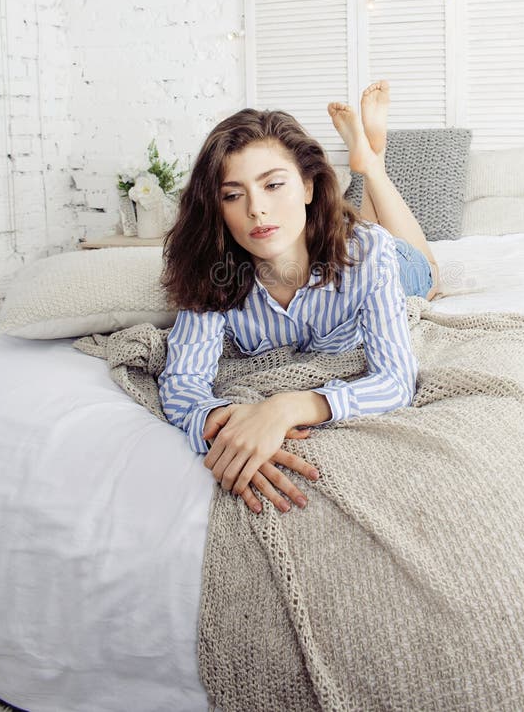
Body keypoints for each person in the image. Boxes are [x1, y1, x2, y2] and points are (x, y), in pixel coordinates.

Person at [158, 80, 440, 517]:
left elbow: (397, 380)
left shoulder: (372, 254)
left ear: (308, 187)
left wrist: (288, 406)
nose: (256, 210)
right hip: (328, 239)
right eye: (233, 195)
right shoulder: (210, 266)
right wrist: (224, 424)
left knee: (429, 272)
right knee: (353, 230)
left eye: (273, 185)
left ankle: (372, 165)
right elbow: (182, 383)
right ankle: (366, 164)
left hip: (389, 264)